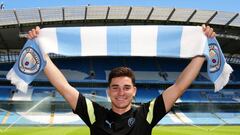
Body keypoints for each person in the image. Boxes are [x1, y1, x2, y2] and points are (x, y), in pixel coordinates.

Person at [27, 25, 216, 135]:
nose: (121, 92)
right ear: (108, 91)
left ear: (134, 90)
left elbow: (179, 86)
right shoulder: (95, 114)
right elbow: (63, 86)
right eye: (115, 87)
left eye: (126, 87)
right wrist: (41, 51)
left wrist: (201, 51)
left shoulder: (146, 114)